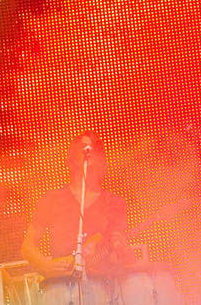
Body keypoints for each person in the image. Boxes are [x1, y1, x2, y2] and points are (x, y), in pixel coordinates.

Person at [21, 130, 134, 303]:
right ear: (72, 157)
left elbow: (118, 256)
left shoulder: (113, 202)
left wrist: (122, 251)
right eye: (83, 149)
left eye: (93, 149)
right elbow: (27, 246)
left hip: (101, 288)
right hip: (59, 288)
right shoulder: (53, 199)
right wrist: (45, 265)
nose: (89, 154)